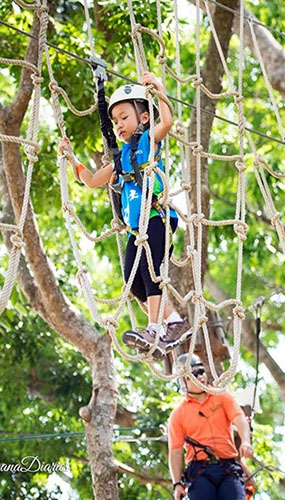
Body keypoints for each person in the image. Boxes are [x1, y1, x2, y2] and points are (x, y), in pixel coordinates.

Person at [59, 71, 191, 357]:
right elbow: (94, 180)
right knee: (135, 284)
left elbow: (167, 122)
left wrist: (158, 88)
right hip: (136, 229)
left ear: (143, 119)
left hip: (157, 218)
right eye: (115, 120)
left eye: (124, 117)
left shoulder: (147, 143)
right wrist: (73, 160)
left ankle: (154, 329)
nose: (118, 124)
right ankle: (174, 322)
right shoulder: (120, 160)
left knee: (151, 271)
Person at [168, 354, 254, 500]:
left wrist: (246, 441)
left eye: (201, 371)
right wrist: (177, 484)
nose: (200, 376)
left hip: (228, 468)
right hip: (200, 472)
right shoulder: (178, 414)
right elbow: (175, 451)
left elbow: (240, 419)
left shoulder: (221, 397)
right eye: (193, 375)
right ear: (183, 383)